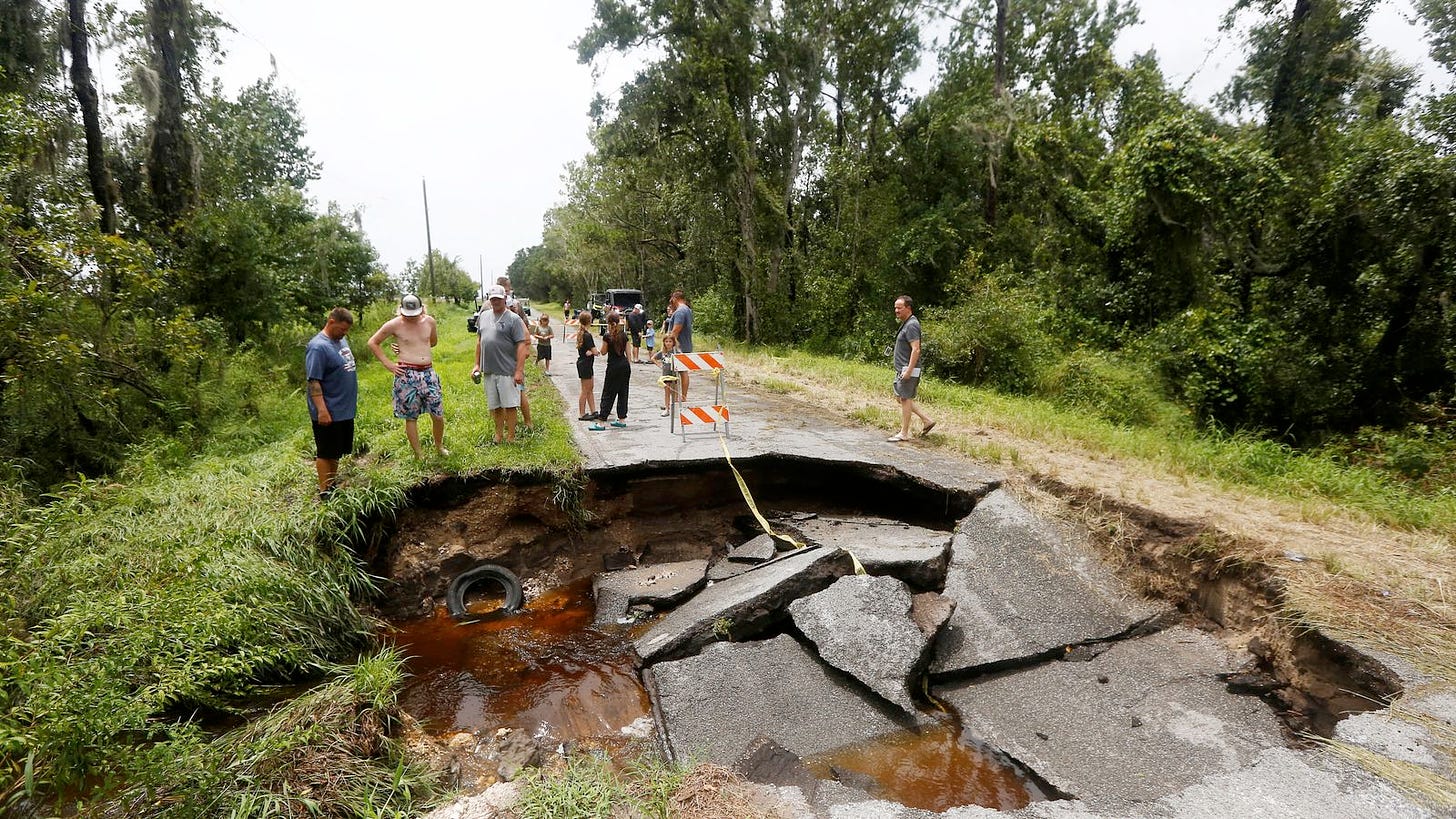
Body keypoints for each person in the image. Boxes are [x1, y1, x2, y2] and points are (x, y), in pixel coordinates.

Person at [367, 294, 448, 459]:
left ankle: (439, 447)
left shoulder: (429, 321)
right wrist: (389, 364)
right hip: (407, 374)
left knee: (438, 414)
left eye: (415, 314)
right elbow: (373, 342)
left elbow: (432, 342)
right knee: (411, 417)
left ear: (421, 309)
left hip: (428, 373)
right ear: (401, 310)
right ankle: (419, 454)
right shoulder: (394, 324)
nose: (411, 317)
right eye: (407, 314)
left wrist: (409, 344)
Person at [305, 307, 358, 499]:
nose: (344, 334)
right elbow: (314, 381)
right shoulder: (318, 347)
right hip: (329, 409)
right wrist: (322, 410)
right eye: (341, 329)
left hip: (343, 409)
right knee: (326, 451)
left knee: (336, 450)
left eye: (346, 331)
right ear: (331, 322)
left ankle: (332, 482)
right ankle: (325, 491)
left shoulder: (339, 339)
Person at [472, 284, 530, 444]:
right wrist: (476, 364)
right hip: (489, 369)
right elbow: (479, 341)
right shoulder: (483, 316)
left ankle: (511, 436)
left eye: (498, 299)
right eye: (493, 299)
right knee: (495, 406)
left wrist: (519, 371)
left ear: (504, 298)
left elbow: (521, 345)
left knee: (510, 405)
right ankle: (498, 435)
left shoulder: (514, 319)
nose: (495, 302)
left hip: (507, 370)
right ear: (489, 300)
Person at [889, 295, 936, 442]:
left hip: (908, 369)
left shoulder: (912, 325)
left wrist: (909, 370)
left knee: (905, 398)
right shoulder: (906, 323)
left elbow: (916, 349)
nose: (896, 311)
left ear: (908, 308)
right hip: (903, 369)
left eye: (899, 308)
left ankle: (904, 433)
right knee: (900, 397)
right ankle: (926, 420)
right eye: (895, 308)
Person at [594, 312, 631, 430]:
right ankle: (622, 419)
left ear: (609, 323)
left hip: (613, 366)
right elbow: (628, 354)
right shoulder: (624, 335)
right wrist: (628, 366)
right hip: (625, 366)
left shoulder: (607, 336)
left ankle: (601, 421)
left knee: (608, 393)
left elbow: (603, 352)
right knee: (623, 392)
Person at [666, 290, 694, 401]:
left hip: (679, 347)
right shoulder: (687, 310)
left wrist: (668, 344)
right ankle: (681, 397)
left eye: (671, 299)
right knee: (683, 372)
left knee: (677, 373)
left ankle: (679, 398)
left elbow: (676, 330)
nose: (670, 302)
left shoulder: (680, 312)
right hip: (686, 345)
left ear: (675, 298)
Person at [575, 309, 601, 422]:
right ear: (589, 321)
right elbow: (595, 351)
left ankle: (593, 410)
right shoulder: (587, 335)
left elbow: (590, 351)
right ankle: (581, 413)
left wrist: (591, 352)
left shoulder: (581, 333)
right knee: (585, 389)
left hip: (585, 363)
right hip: (585, 364)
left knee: (590, 388)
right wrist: (595, 352)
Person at [653, 331, 679, 417]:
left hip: (674, 375)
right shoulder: (662, 352)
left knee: (674, 391)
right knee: (667, 391)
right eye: (666, 341)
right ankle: (667, 408)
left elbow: (681, 360)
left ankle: (675, 408)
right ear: (664, 342)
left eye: (670, 341)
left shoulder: (676, 352)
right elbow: (653, 358)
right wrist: (659, 365)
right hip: (665, 375)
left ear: (673, 342)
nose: (668, 343)